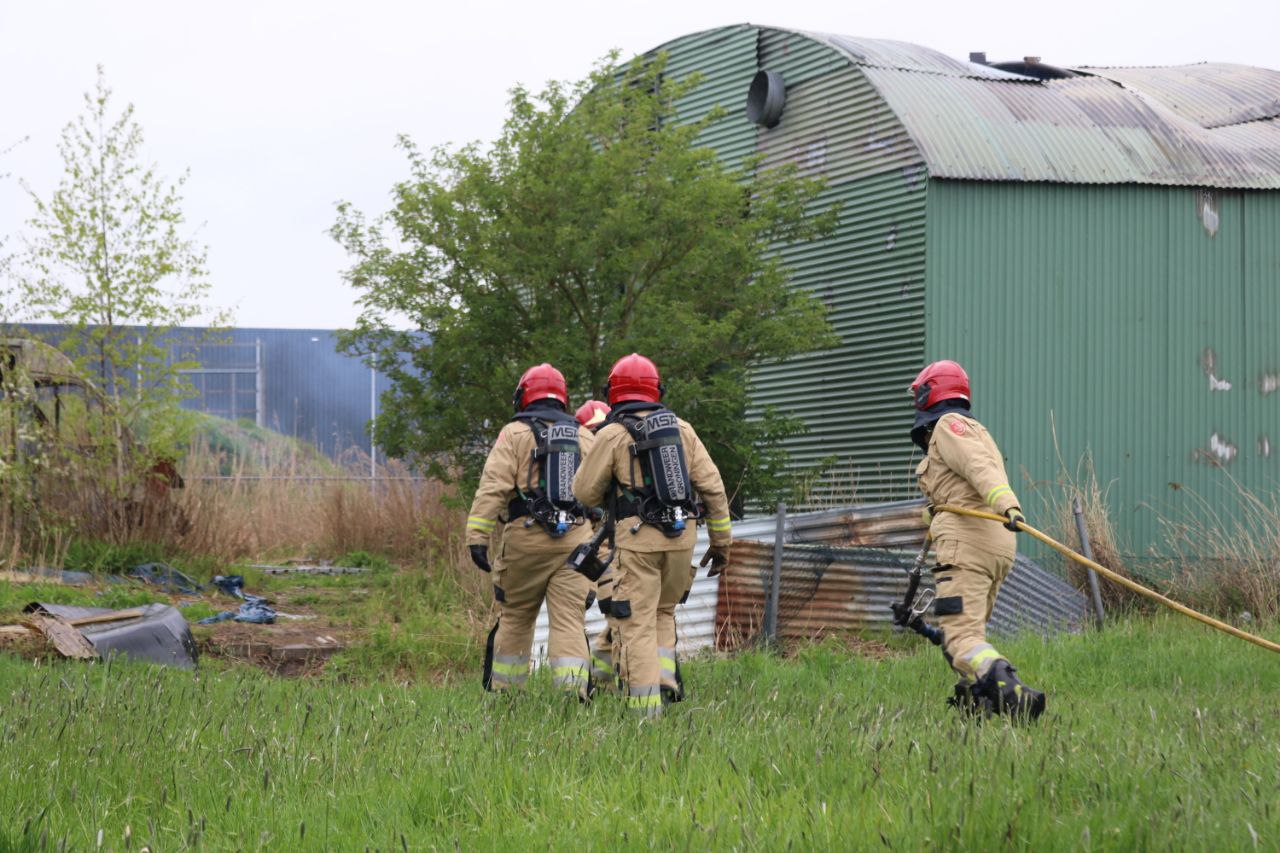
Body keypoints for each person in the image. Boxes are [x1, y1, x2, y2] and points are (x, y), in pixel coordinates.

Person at [572, 354, 732, 716]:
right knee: (663, 612)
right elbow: (714, 490)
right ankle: (665, 683)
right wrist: (721, 545)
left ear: (613, 392)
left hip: (637, 540)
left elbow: (583, 493)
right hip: (683, 540)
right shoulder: (683, 430)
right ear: (656, 390)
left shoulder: (612, 433)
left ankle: (646, 714)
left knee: (636, 622)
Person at [910, 359, 1046, 719]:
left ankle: (1014, 696)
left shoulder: (947, 427)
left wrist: (1007, 504)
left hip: (967, 544)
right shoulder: (975, 429)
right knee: (972, 633)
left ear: (930, 392)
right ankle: (977, 704)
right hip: (996, 543)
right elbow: (960, 490)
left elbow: (978, 469)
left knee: (961, 640)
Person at [465, 363, 595, 699]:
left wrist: (477, 537)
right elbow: (602, 496)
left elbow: (492, 487)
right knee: (569, 620)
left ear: (524, 396)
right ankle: (573, 696)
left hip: (525, 539)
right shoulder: (584, 435)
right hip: (577, 541)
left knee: (517, 618)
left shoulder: (514, 434)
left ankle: (506, 696)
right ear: (563, 398)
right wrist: (602, 554)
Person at [574, 399, 622, 687]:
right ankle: (603, 682)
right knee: (618, 621)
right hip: (606, 559)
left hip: (612, 557)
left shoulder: (582, 474)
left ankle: (601, 682)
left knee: (617, 623)